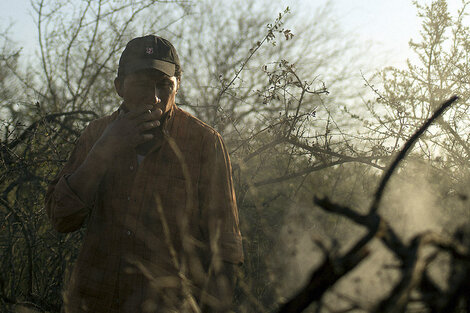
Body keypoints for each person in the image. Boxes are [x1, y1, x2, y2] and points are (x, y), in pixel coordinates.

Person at [45, 35, 244, 313]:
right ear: (119, 87)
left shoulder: (203, 142)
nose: (154, 98)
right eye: (140, 84)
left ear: (177, 86)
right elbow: (61, 218)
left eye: (164, 85)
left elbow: (225, 250)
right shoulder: (96, 134)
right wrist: (104, 150)